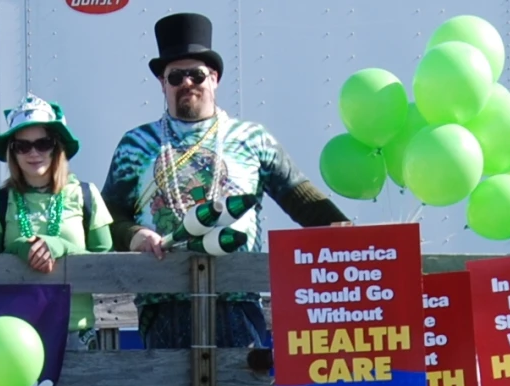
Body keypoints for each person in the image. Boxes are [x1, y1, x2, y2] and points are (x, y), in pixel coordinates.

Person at [104, 12, 349, 349]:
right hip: (163, 303)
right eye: (176, 76)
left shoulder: (252, 138)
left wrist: (351, 233)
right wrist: (135, 235)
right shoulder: (137, 144)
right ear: (163, 83)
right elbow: (107, 217)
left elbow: (301, 200)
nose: (187, 83)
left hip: (236, 297)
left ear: (214, 78)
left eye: (196, 74)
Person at [0, 95, 115, 331]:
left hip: (74, 330)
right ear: (13, 152)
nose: (33, 153)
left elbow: (107, 263)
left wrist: (61, 246)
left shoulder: (86, 194)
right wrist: (18, 247)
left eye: (43, 143)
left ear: (56, 147)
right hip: (14, 332)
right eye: (23, 146)